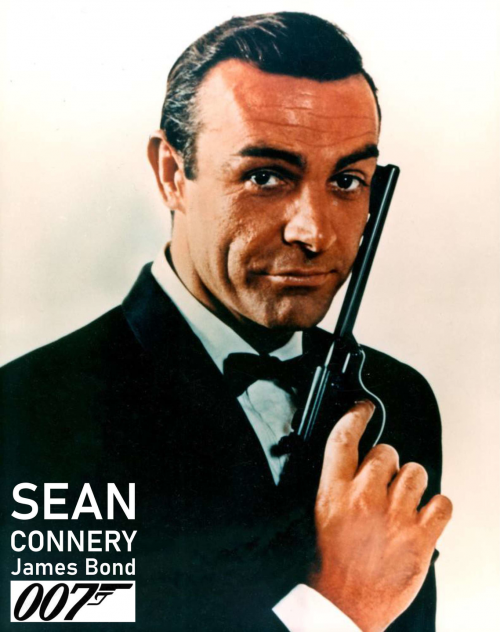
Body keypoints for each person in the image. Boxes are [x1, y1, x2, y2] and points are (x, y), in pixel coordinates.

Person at [0, 12, 452, 632]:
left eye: (348, 181)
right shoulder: (31, 414)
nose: (314, 233)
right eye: (265, 177)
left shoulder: (398, 401)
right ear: (171, 174)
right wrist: (335, 609)